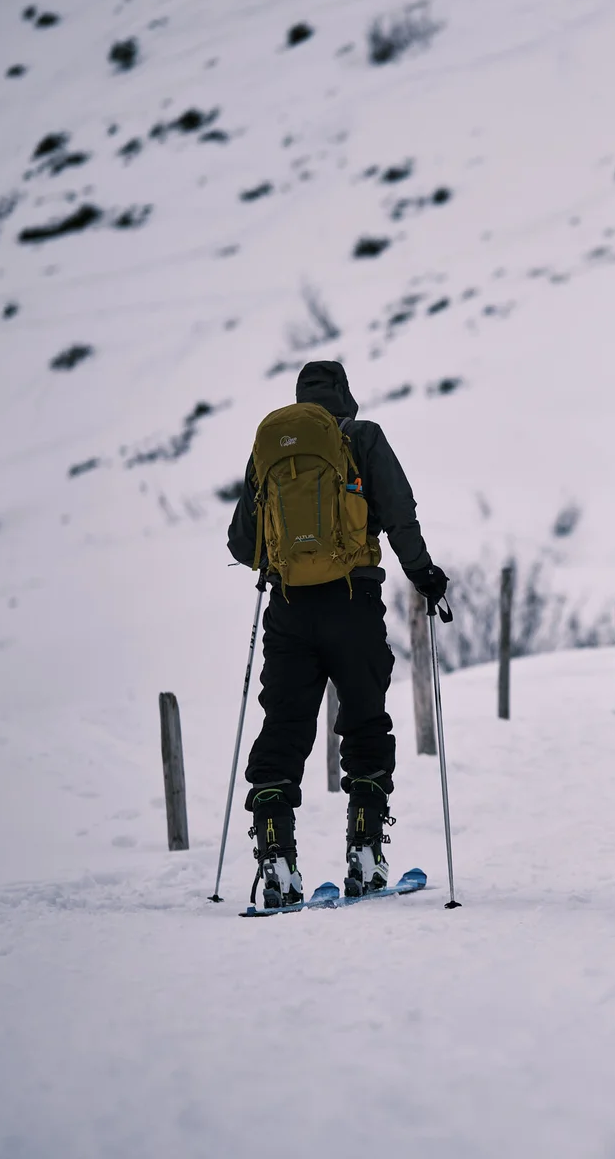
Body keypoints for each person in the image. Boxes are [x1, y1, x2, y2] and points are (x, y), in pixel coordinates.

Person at [227, 360, 447, 909]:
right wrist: (424, 575)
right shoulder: (363, 438)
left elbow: (239, 543)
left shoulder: (272, 449)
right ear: (345, 398)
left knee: (283, 728)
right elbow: (400, 513)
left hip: (289, 609)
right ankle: (366, 854)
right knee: (366, 721)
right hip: (353, 602)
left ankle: (277, 860)